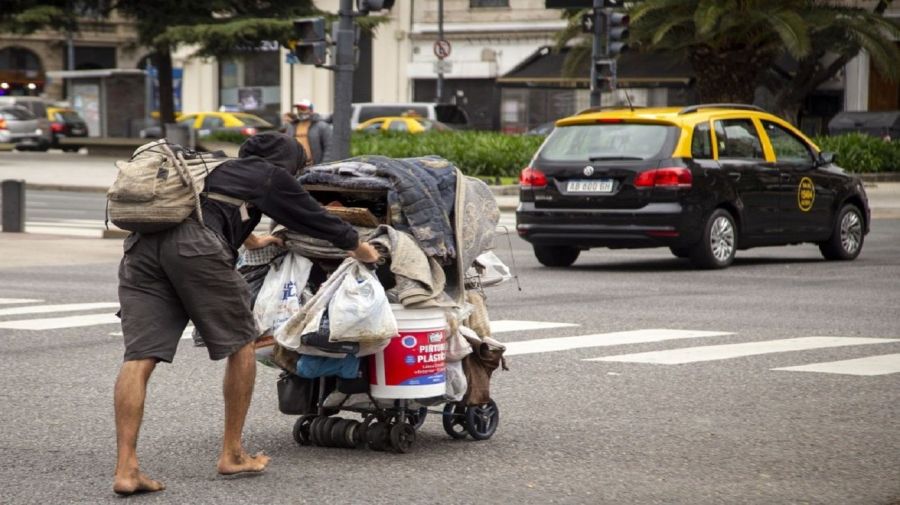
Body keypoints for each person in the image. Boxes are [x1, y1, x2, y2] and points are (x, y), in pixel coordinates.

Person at [112, 132, 378, 495]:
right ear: (289, 164)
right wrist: (361, 249)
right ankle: (233, 453)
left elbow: (217, 209)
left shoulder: (214, 167)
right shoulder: (272, 175)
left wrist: (254, 240)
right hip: (196, 250)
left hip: (141, 250)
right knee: (242, 345)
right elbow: (316, 219)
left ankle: (126, 469)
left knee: (139, 356)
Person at [285, 98, 332, 166]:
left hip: (315, 166)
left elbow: (329, 148)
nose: (300, 111)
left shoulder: (322, 126)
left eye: (303, 109)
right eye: (298, 109)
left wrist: (324, 165)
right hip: (296, 166)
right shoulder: (291, 126)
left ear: (311, 110)